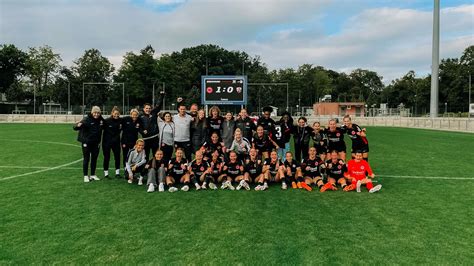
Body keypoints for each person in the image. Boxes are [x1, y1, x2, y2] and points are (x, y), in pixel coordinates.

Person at [73, 106, 104, 183]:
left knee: (94, 159)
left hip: (96, 143)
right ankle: (85, 176)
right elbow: (75, 127)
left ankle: (93, 175)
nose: (96, 114)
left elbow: (106, 125)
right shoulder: (86, 119)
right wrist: (77, 126)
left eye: (98, 113)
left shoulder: (101, 120)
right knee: (86, 158)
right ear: (92, 112)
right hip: (86, 142)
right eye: (95, 113)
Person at [140, 92, 165, 161]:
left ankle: (155, 168)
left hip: (154, 138)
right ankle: (146, 169)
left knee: (155, 154)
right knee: (146, 155)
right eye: (146, 108)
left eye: (149, 108)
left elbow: (158, 105)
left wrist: (161, 96)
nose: (148, 109)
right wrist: (142, 131)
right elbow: (138, 127)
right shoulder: (140, 116)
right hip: (146, 139)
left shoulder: (154, 113)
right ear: (143, 109)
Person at [102, 106, 122, 179]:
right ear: (112, 113)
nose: (116, 115)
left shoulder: (121, 120)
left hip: (116, 142)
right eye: (115, 113)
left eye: (118, 114)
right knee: (107, 157)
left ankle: (117, 173)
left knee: (117, 157)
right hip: (106, 143)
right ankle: (106, 174)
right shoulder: (106, 121)